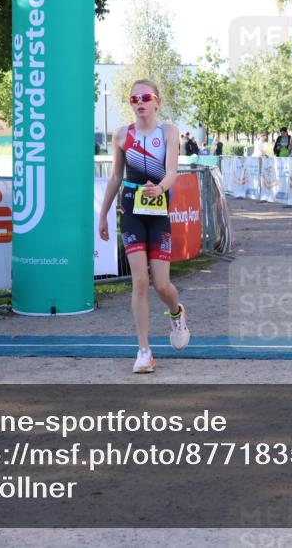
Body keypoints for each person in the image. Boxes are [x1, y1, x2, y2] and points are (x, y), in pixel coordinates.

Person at [99, 79, 189, 374]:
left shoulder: (169, 132)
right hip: (132, 211)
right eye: (134, 98)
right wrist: (103, 215)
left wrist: (160, 188)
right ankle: (143, 351)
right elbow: (114, 176)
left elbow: (173, 171)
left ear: (157, 101)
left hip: (158, 211)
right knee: (139, 281)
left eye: (145, 97)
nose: (140, 102)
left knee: (161, 284)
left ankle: (177, 313)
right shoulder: (123, 135)